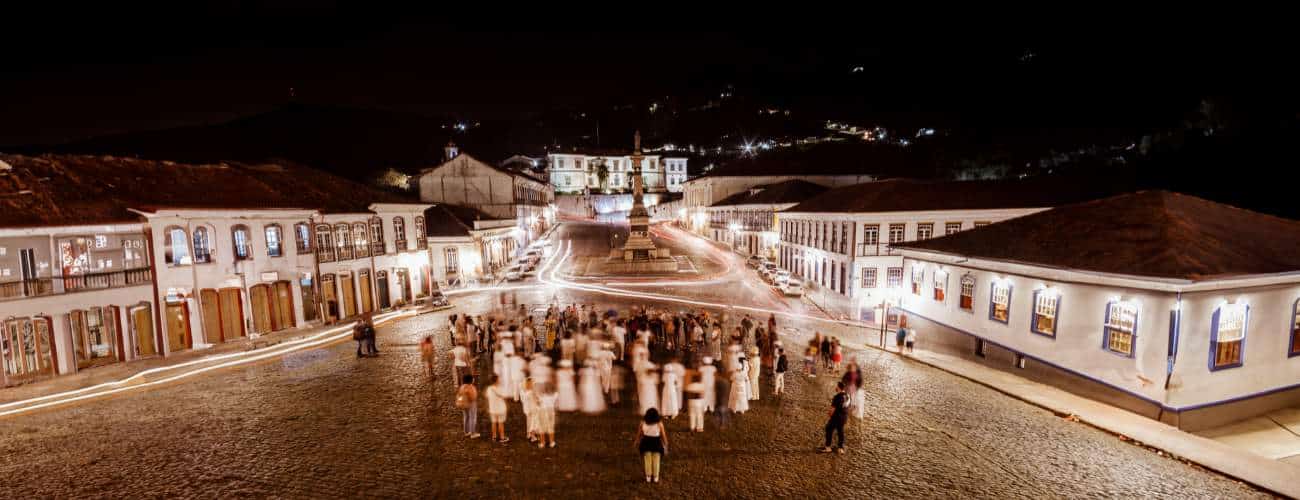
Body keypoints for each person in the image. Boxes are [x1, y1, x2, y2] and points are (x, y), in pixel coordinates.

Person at [636, 408, 668, 483]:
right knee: (656, 460)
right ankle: (656, 477)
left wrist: (636, 441)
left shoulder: (642, 423)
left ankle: (648, 476)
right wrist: (666, 444)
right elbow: (663, 435)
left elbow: (639, 434)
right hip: (656, 443)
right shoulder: (659, 424)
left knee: (647, 460)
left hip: (646, 443)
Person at [820, 382, 850, 453]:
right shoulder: (847, 396)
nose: (835, 387)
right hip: (844, 417)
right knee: (840, 431)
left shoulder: (837, 397)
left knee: (828, 429)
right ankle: (840, 448)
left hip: (836, 418)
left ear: (839, 387)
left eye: (836, 386)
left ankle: (828, 447)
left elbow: (832, 409)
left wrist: (830, 415)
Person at [486, 376, 510, 443]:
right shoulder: (501, 388)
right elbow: (505, 397)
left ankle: (494, 437)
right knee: (500, 423)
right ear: (496, 381)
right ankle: (502, 437)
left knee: (493, 422)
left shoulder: (489, 388)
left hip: (492, 409)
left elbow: (488, 397)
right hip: (500, 409)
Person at [455, 374, 480, 439]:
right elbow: (473, 397)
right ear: (470, 380)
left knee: (466, 417)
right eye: (473, 378)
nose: (474, 379)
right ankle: (473, 433)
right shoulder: (471, 387)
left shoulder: (462, 387)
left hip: (464, 404)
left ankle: (466, 432)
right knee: (473, 418)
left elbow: (459, 395)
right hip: (471, 404)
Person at [537, 382, 558, 448]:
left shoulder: (541, 396)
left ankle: (542, 442)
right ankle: (552, 442)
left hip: (542, 412)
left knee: (541, 427)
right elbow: (556, 393)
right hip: (550, 412)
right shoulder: (554, 396)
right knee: (550, 427)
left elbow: (538, 403)